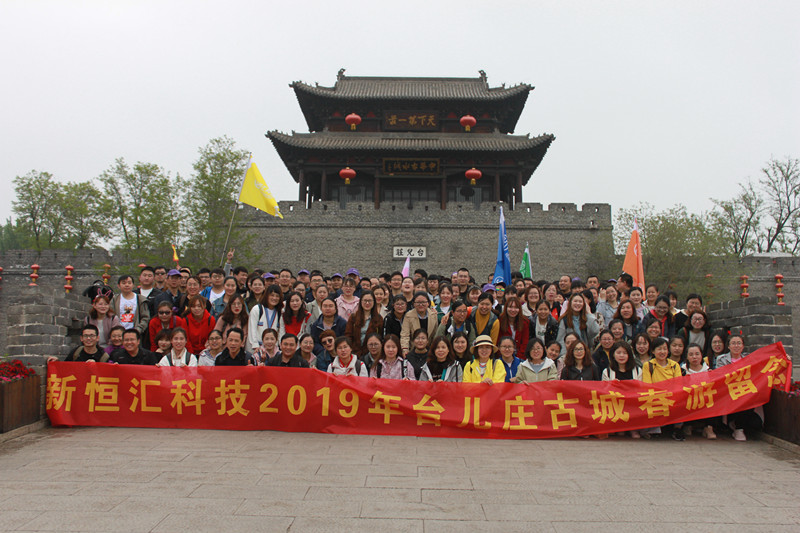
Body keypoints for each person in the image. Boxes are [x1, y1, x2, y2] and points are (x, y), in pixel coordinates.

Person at [642, 337, 684, 440]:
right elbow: (647, 386)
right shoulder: (648, 365)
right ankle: (653, 430)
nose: (662, 352)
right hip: (655, 396)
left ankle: (677, 429)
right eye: (659, 349)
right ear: (653, 351)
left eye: (665, 349)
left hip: (671, 396)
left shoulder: (675, 365)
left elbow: (678, 384)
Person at [682, 343, 717, 439]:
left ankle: (709, 428)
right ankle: (687, 425)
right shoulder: (682, 371)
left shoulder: (709, 371)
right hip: (689, 400)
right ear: (687, 357)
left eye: (697, 354)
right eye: (691, 354)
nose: (694, 357)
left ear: (702, 355)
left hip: (705, 399)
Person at [344, 290, 383, 357]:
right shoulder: (353, 317)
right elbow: (348, 336)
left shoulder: (379, 319)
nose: (367, 303)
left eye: (370, 301)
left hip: (371, 353)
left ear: (374, 302)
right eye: (365, 301)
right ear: (360, 302)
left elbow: (380, 336)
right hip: (354, 353)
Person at [248, 285, 284, 352]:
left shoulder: (280, 312)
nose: (274, 298)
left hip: (273, 349)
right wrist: (255, 345)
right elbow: (252, 329)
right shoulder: (257, 309)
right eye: (272, 295)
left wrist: (279, 346)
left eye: (277, 296)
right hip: (257, 348)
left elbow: (280, 331)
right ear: (267, 296)